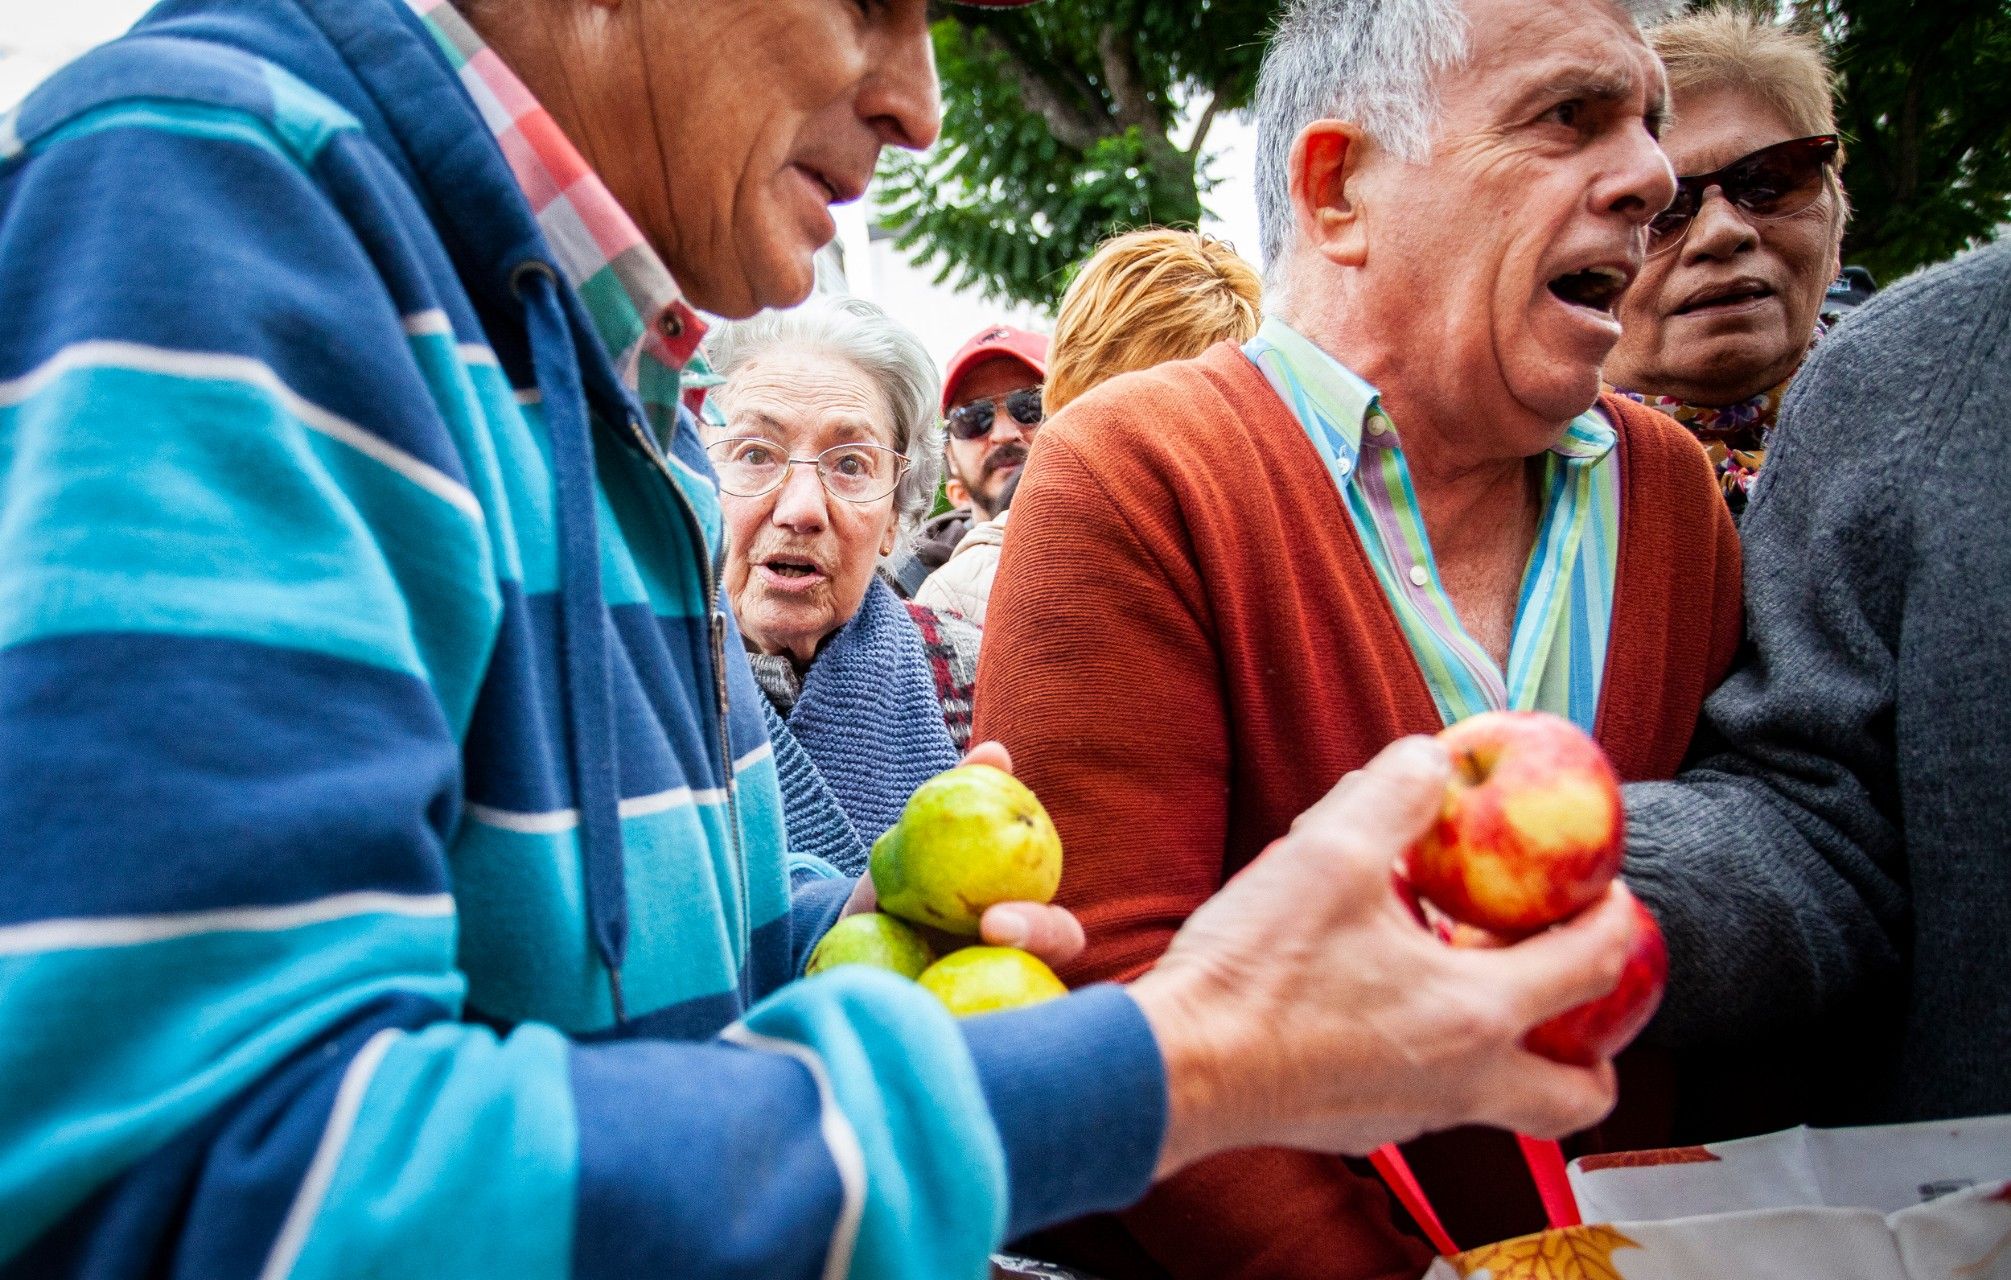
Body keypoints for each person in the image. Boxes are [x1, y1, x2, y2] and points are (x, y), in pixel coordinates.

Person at [0, 0, 1653, 1275]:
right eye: (876, 0)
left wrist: (855, 924)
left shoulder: (597, 362)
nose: (919, 103)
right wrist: (1177, 1060)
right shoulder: (215, 199)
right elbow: (196, 1185)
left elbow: (649, 944)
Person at [978, 0, 1741, 1272]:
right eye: (1569, 116)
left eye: (1647, 124)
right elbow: (1112, 980)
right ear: (1337, 190)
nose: (1655, 178)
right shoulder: (1136, 472)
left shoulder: (1668, 490)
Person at [1626, 238, 2011, 1131]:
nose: (1721, 229)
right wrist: (1571, 887)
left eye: (1777, 176)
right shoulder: (1921, 363)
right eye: (1670, 204)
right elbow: (1822, 807)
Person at [704, 294, 981, 875]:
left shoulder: (980, 671)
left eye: (850, 464)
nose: (802, 510)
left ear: (895, 519)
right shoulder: (643, 676)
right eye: (755, 453)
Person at [918, 229, 1263, 625]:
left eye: (1027, 405)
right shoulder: (932, 599)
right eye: (972, 418)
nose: (1004, 432)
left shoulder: (1282, 545)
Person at [1604, 8, 1848, 517]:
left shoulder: (1950, 416)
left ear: (1837, 226)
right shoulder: (1500, 484)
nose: (1721, 232)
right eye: (1660, 207)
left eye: (1767, 183)